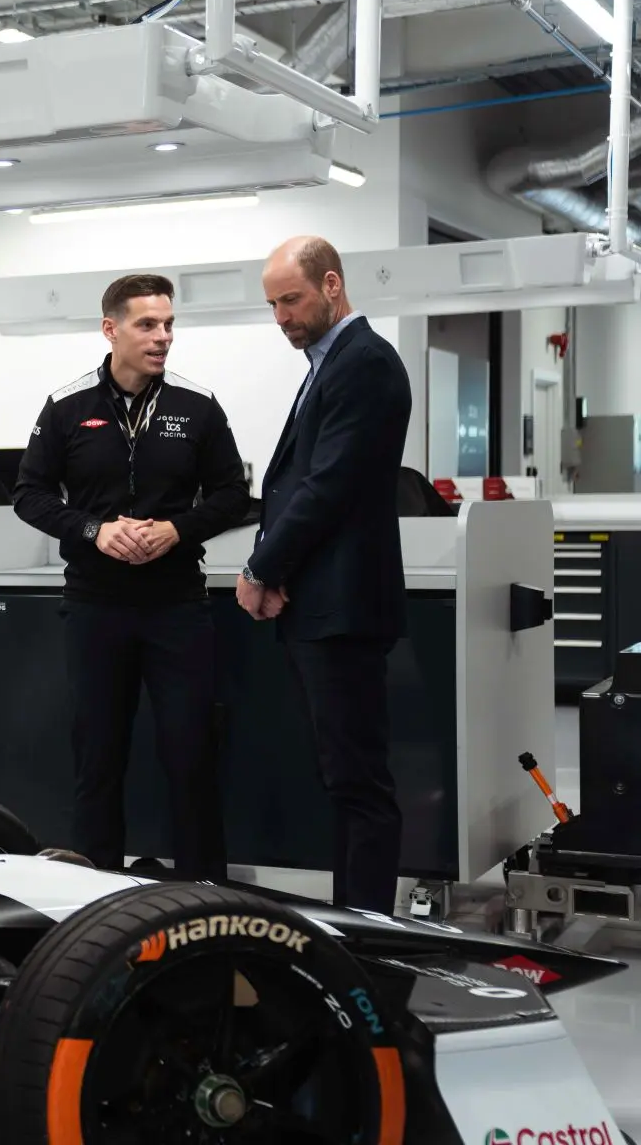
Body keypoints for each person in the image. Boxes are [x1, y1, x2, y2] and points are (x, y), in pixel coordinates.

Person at [12, 273, 251, 880]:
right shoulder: (66, 406)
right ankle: (92, 894)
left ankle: (206, 894)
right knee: (98, 761)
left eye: (169, 324)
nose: (163, 336)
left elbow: (233, 495)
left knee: (191, 757)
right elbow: (30, 496)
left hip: (177, 607)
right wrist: (94, 530)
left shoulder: (198, 405)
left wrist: (177, 530)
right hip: (96, 608)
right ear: (110, 329)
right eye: (148, 324)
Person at [238, 235, 413, 915]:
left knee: (359, 784)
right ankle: (349, 924)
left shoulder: (364, 362)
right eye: (272, 305)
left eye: (292, 299)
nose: (281, 316)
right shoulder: (328, 363)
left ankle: (367, 934)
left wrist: (262, 567)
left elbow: (326, 488)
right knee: (342, 780)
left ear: (332, 285)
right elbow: (301, 487)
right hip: (319, 603)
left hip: (343, 609)